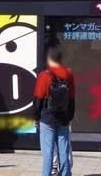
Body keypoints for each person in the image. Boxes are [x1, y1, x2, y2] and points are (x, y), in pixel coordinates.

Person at [33, 46, 75, 176]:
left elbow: (38, 99)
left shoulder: (44, 75)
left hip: (47, 117)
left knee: (48, 152)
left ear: (49, 59)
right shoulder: (68, 74)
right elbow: (72, 98)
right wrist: (69, 117)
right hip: (63, 118)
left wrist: (36, 117)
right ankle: (65, 174)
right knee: (64, 151)